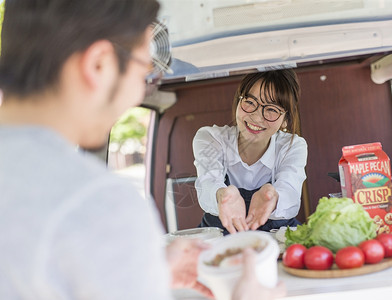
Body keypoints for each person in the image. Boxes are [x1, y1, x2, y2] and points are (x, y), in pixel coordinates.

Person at [0, 1, 284, 299]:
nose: (140, 91)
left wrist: (148, 274)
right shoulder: (98, 202)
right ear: (99, 64)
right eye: (145, 73)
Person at [194, 69, 308, 234]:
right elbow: (208, 183)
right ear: (238, 101)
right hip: (219, 234)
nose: (256, 117)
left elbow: (289, 191)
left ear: (285, 120)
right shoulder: (210, 138)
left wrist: (273, 197)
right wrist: (224, 195)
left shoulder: (292, 146)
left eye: (272, 109)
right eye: (250, 102)